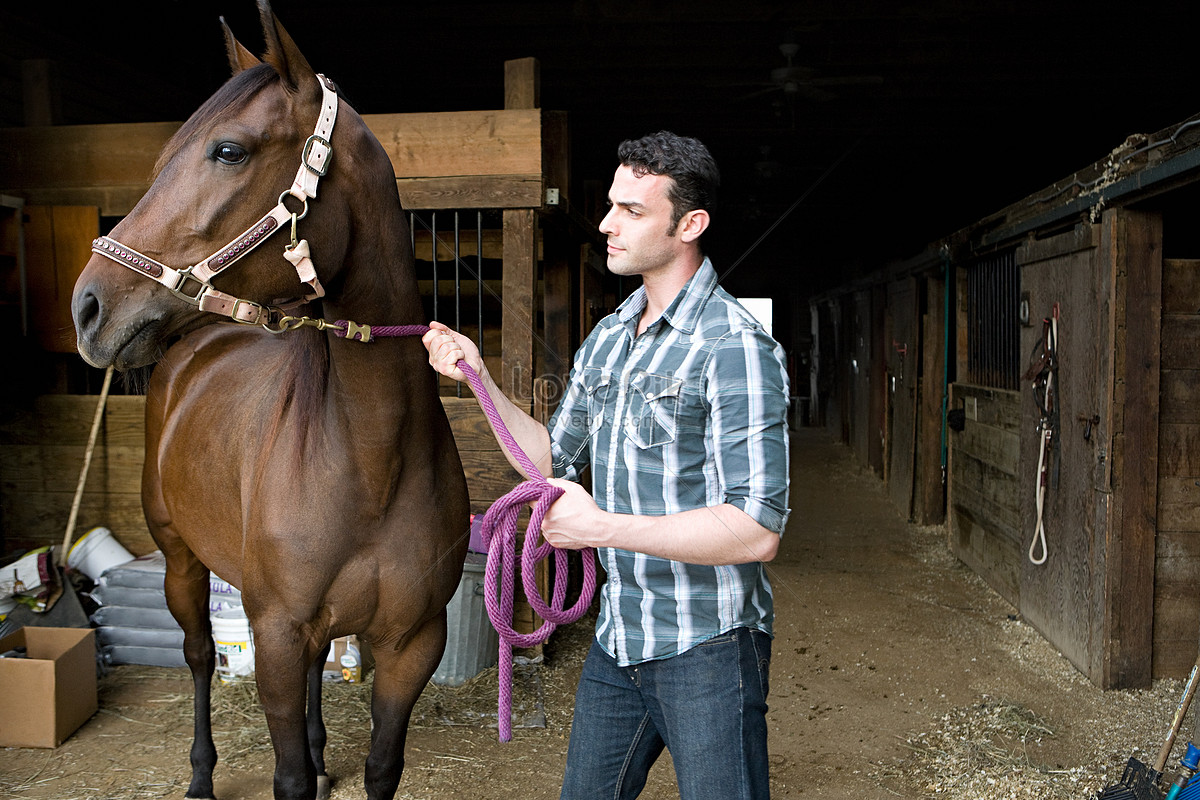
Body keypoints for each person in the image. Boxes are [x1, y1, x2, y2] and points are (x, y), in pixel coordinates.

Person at [423, 130, 790, 800]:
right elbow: (550, 459)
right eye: (611, 205)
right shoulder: (611, 336)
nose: (605, 223)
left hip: (706, 644)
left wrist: (601, 529)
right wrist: (478, 377)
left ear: (691, 225)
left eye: (632, 211)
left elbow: (756, 529)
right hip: (620, 640)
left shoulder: (735, 347)